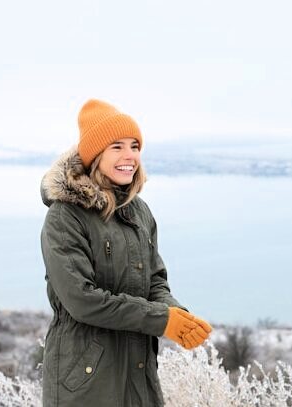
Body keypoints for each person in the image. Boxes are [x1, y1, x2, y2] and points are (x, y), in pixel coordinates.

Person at [40, 99, 212, 406]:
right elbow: (82, 300)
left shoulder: (139, 211)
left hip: (139, 369)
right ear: (95, 155)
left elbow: (155, 281)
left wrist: (177, 315)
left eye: (135, 146)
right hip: (85, 378)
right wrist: (162, 319)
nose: (130, 156)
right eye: (117, 147)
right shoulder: (65, 216)